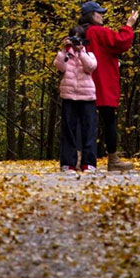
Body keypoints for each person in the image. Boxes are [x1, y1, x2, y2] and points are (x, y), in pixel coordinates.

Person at [81, 0, 138, 172]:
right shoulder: (99, 32)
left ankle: (79, 158)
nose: (102, 15)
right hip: (102, 81)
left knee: (83, 121)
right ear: (91, 15)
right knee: (109, 120)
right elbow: (121, 42)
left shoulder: (81, 33)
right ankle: (113, 159)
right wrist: (129, 25)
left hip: (84, 83)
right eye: (99, 13)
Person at [54, 26, 98, 172]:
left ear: (84, 41)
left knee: (89, 130)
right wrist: (64, 50)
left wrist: (81, 52)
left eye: (78, 39)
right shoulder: (66, 55)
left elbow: (90, 67)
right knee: (68, 130)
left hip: (87, 97)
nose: (76, 42)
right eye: (73, 38)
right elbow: (59, 66)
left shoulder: (89, 54)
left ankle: (88, 163)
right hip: (69, 96)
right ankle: (68, 163)